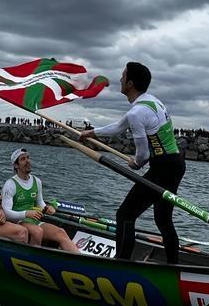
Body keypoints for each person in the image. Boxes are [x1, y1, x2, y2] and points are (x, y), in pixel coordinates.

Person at [78, 62, 185, 263]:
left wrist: (136, 163)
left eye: (123, 76)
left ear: (130, 83)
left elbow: (143, 153)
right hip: (175, 163)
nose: (120, 79)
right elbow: (119, 127)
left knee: (125, 214)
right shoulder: (150, 101)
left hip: (163, 167)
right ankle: (174, 265)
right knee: (163, 219)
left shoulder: (137, 113)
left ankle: (122, 263)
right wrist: (92, 132)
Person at [2, 148, 80, 253]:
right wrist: (26, 214)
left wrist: (48, 208)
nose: (27, 161)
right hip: (17, 221)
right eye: (23, 159)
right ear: (16, 165)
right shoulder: (10, 184)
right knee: (37, 232)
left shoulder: (36, 181)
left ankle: (83, 261)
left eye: (28, 158)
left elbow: (40, 203)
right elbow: (6, 213)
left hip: (34, 220)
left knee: (60, 232)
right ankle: (31, 260)